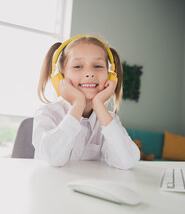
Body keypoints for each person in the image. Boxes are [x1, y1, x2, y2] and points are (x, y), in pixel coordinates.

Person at [32, 35, 140, 169]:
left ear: (110, 76)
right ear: (61, 77)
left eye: (98, 66)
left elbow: (127, 162)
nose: (89, 73)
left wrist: (99, 104)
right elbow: (53, 158)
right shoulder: (47, 114)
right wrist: (78, 103)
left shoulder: (109, 120)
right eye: (77, 66)